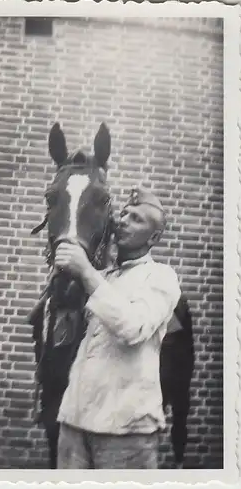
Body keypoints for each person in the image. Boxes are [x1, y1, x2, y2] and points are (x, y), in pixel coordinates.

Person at [54, 186, 181, 469]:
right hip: (74, 424)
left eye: (136, 218)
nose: (123, 220)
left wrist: (86, 272)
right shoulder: (103, 276)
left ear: (155, 237)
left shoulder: (161, 277)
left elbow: (133, 327)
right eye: (123, 214)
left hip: (126, 431)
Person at [160, 293, 195, 468]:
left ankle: (178, 463)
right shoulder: (161, 302)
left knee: (179, 421)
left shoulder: (178, 302)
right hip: (164, 372)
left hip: (178, 373)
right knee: (156, 419)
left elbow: (188, 345)